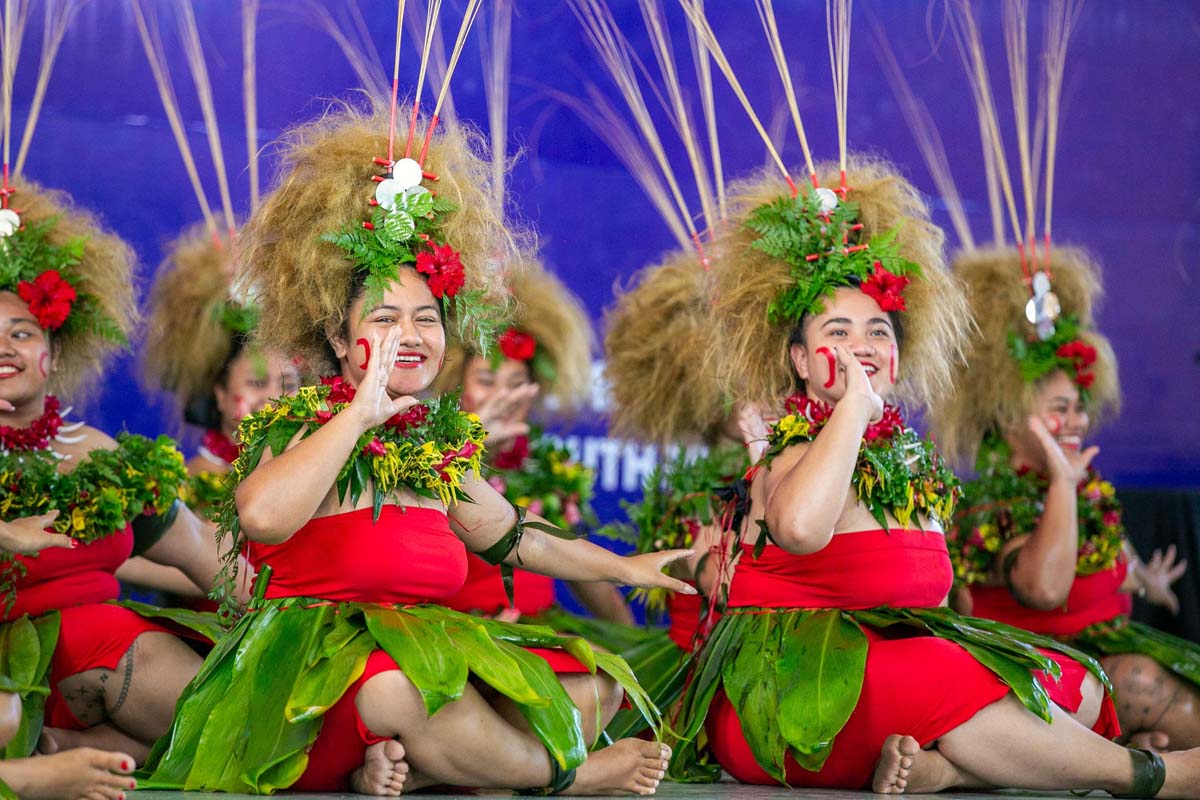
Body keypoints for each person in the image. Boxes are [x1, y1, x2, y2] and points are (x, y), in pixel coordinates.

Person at [140, 101, 690, 796]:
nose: (411, 333)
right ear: (339, 342)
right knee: (400, 692)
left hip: (420, 650)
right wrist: (360, 413)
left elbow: (518, 538)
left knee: (589, 686)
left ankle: (417, 771)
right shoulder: (302, 427)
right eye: (385, 317)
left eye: (425, 318)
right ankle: (557, 779)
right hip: (310, 680)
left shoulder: (434, 452)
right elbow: (261, 518)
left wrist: (626, 568)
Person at [667, 157, 1200, 797]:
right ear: (801, 361)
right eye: (838, 332)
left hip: (893, 671)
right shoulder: (790, 453)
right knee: (938, 674)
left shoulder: (905, 466)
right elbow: (801, 528)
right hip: (793, 696)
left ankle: (941, 768)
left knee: (1076, 685)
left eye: (877, 330)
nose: (862, 344)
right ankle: (1150, 778)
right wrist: (855, 410)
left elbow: (934, 601)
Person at [0, 178, 230, 771]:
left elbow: (199, 546)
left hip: (110, 661)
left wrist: (302, 607)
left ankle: (74, 753)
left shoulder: (96, 453)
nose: (5, 348)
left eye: (21, 332)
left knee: (233, 719)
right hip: (14, 677)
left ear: (56, 344)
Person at [938, 246, 1199, 752]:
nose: (1078, 420)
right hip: (1036, 684)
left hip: (1100, 655)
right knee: (1142, 682)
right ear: (1010, 417)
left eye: (1081, 407)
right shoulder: (988, 507)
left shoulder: (1088, 493)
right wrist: (1061, 483)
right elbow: (1044, 589)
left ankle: (1130, 746)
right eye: (1060, 408)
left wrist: (1144, 579)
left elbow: (1108, 552)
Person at [435, 259, 634, 629]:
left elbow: (582, 570)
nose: (503, 396)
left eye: (515, 383)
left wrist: (635, 647)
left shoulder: (547, 471)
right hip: (456, 633)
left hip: (537, 633)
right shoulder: (431, 459)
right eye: (487, 380)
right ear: (457, 382)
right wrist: (472, 444)